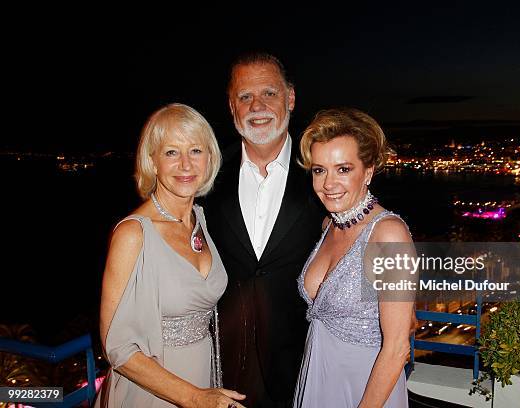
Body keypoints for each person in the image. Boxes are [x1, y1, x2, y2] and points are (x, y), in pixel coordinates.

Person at [96, 103, 246, 408]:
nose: (186, 164)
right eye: (171, 152)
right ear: (152, 161)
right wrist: (194, 397)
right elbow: (117, 347)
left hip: (204, 375)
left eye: (195, 151)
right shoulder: (132, 234)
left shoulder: (200, 219)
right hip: (153, 390)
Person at [202, 53, 324, 407]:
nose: (257, 106)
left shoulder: (321, 167)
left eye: (269, 94)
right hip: (226, 367)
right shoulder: (208, 175)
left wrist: (395, 300)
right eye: (245, 97)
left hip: (305, 363)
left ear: (290, 98)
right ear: (231, 105)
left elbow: (371, 223)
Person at [294, 108, 416, 407]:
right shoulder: (329, 225)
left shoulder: (389, 235)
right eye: (319, 170)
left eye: (343, 169)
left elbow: (398, 348)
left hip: (367, 388)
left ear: (369, 171)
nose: (328, 183)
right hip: (318, 373)